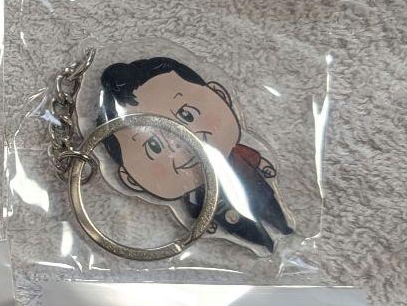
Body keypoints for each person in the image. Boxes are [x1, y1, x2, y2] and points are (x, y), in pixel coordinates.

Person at [96, 56, 293, 253]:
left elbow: (250, 157)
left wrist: (262, 165)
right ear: (129, 178)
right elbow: (195, 210)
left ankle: (284, 229)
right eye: (154, 145)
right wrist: (204, 220)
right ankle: (268, 245)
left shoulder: (235, 160)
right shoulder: (193, 198)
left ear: (220, 94)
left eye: (186, 115)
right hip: (227, 217)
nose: (179, 144)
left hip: (256, 190)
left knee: (272, 211)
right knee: (252, 234)